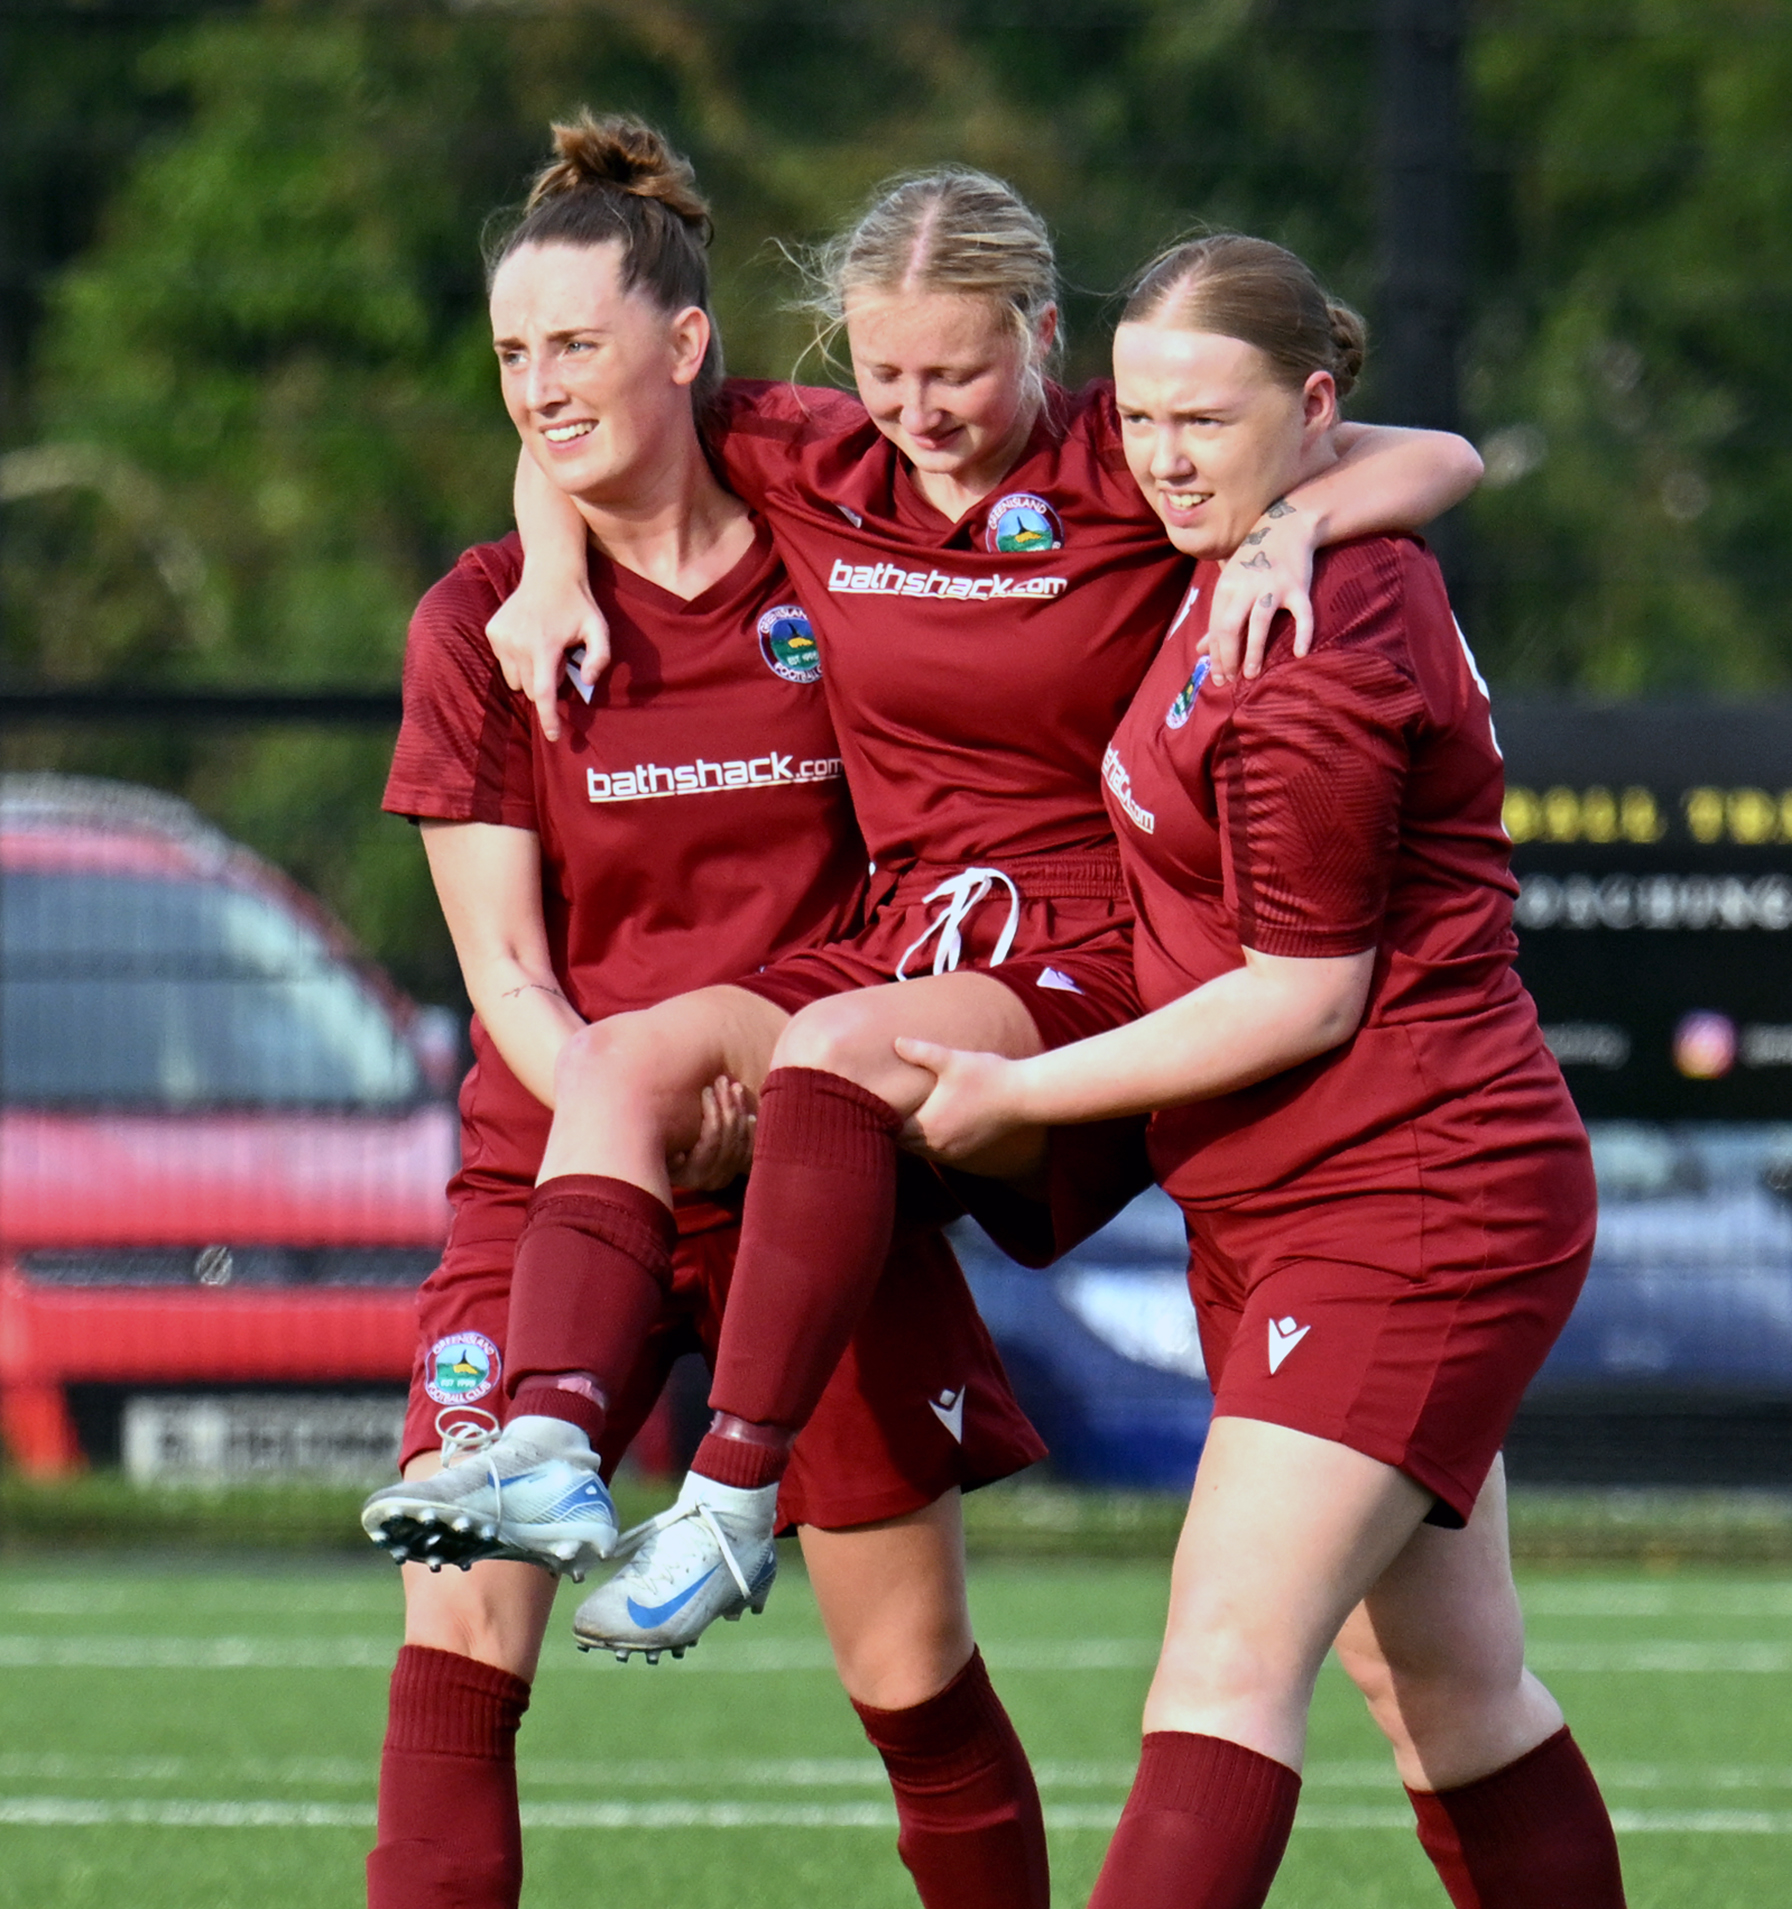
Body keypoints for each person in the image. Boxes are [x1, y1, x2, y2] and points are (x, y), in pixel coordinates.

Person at [208, 117, 1058, 1909]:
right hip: (556, 1180)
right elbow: (503, 970)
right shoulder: (482, 621)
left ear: (684, 345)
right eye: (510, 358)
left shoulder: (828, 533)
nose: (539, 390)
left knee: (908, 1674)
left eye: (575, 346)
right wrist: (629, 1106)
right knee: (458, 1633)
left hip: (815, 1186)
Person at [372, 167, 1483, 1663]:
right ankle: (549, 1451)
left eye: (955, 373)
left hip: (1086, 947)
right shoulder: (816, 454)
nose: (918, 410)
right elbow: (582, 427)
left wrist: (1296, 525)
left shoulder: (1124, 455)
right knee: (625, 1057)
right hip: (906, 933)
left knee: (833, 1056)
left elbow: (1442, 455)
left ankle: (727, 1499)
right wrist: (553, 562)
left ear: (1039, 332)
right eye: (884, 372)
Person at [899, 233, 1724, 1909]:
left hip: (1411, 1194)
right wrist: (1304, 503)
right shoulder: (1258, 539)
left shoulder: (1315, 644)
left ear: (1310, 410)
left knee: (1230, 1635)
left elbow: (1300, 994)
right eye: (1142, 417)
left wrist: (1017, 1098)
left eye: (1210, 422)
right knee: (1445, 1685)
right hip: (1297, 1201)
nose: (1163, 457)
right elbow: (1439, 455)